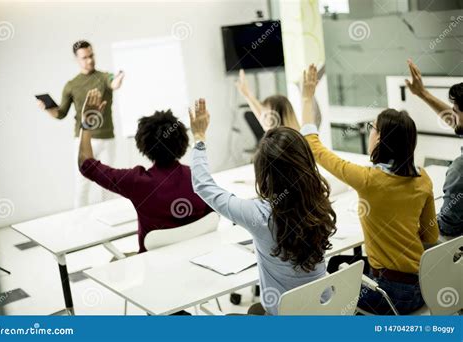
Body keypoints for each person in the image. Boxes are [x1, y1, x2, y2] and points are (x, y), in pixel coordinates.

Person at [301, 64, 439, 315]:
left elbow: (315, 147)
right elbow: (430, 236)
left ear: (381, 139)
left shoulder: (368, 180)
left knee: (328, 285)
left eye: (373, 128)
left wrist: (307, 97)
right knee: (338, 263)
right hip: (422, 286)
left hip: (389, 295)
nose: (370, 133)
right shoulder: (423, 177)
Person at [189, 98, 336, 315]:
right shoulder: (319, 201)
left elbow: (203, 185)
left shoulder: (259, 216)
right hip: (325, 312)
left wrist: (199, 138)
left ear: (264, 173)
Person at [78, 89, 212, 254]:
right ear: (183, 141)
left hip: (154, 270)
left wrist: (87, 123)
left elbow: (86, 165)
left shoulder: (137, 182)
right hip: (199, 264)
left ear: (143, 145)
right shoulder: (199, 176)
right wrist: (199, 134)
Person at [37, 40, 125, 208]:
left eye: (91, 55)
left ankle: (108, 219)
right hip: (83, 140)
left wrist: (119, 78)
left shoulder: (105, 76)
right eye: (85, 57)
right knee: (82, 184)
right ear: (77, 60)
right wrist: (47, 108)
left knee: (108, 185)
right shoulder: (71, 85)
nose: (90, 60)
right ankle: (80, 223)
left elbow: (113, 83)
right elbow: (60, 113)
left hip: (107, 139)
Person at [405, 59, 462, 237]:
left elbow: (447, 226)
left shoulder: (459, 170)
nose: (451, 115)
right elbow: (457, 121)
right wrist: (422, 94)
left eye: (456, 110)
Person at [236, 69, 322, 131]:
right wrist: (247, 95)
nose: (263, 120)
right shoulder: (294, 137)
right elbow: (262, 116)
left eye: (267, 117)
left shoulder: (301, 140)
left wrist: (248, 95)